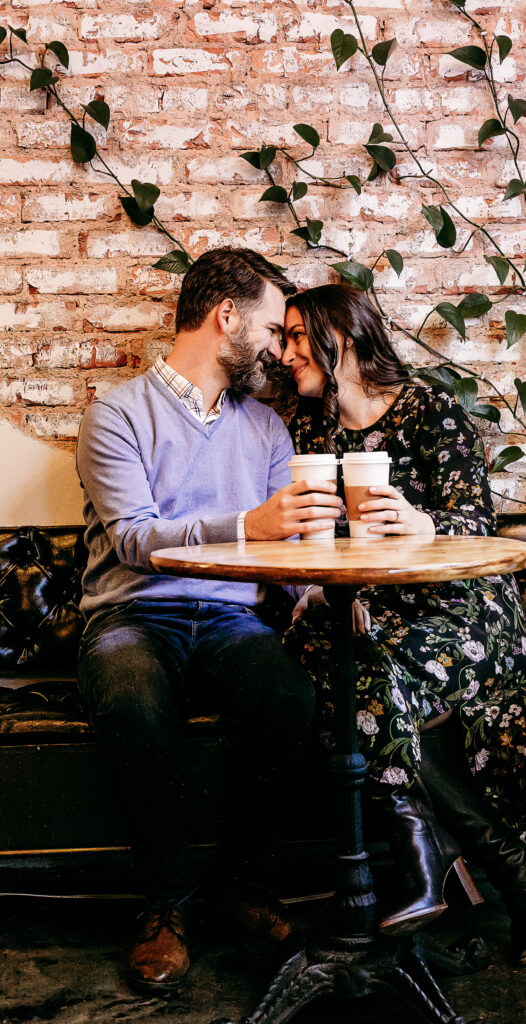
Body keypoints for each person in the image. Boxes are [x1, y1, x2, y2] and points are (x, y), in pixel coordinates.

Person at [76, 248, 344, 992]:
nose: (279, 351)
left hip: (230, 618)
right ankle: (167, 904)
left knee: (288, 694)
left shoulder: (265, 428)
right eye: (272, 329)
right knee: (129, 695)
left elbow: (284, 548)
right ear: (227, 316)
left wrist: (315, 592)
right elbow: (134, 540)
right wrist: (245, 527)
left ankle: (245, 888)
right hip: (134, 612)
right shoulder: (116, 415)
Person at [281, 283, 526, 963]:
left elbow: (475, 525)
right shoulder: (309, 430)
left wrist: (421, 524)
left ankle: (428, 860)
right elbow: (312, 537)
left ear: (339, 337)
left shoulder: (429, 411)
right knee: (328, 655)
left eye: (296, 337)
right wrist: (318, 586)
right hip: (374, 611)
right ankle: (506, 874)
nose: (284, 353)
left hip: (461, 607)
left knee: (367, 675)